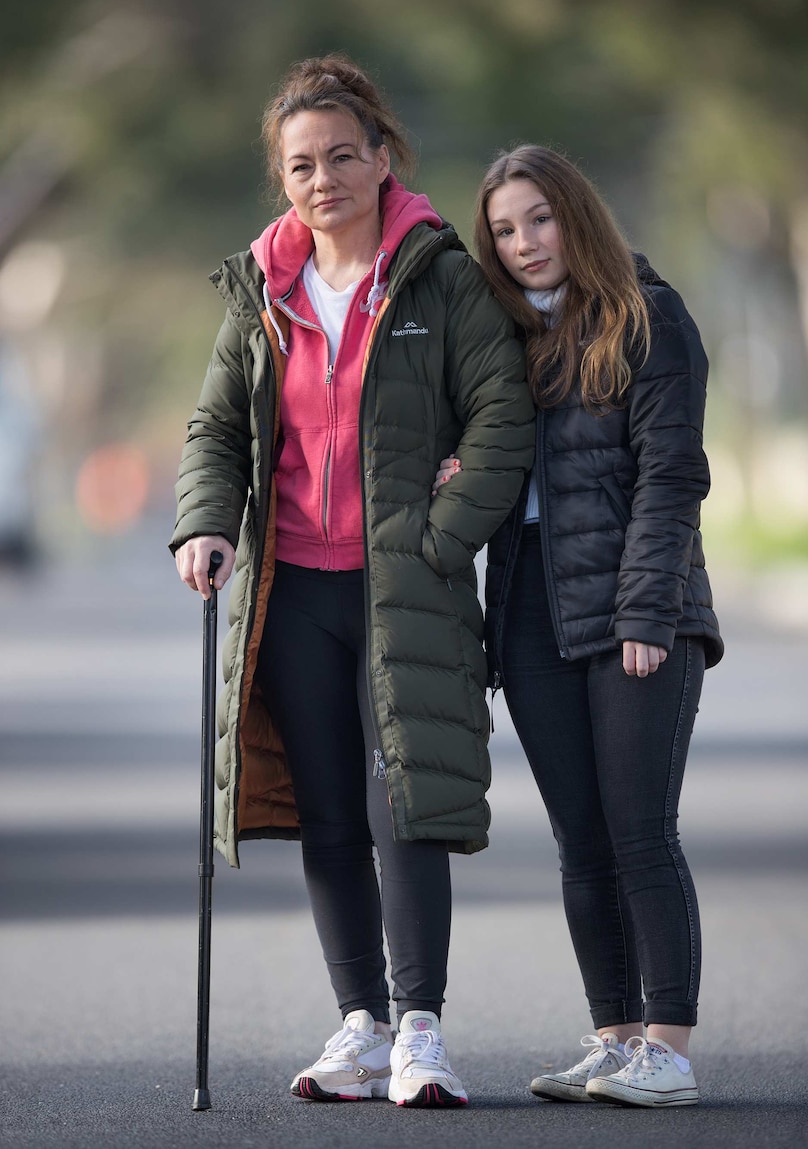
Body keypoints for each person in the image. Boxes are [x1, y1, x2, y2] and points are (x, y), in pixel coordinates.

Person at [170, 56, 534, 1108]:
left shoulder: (442, 280)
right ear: (281, 180)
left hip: (403, 587)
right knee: (330, 810)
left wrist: (437, 538)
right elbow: (213, 428)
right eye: (299, 164)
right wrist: (205, 524)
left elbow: (501, 418)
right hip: (292, 591)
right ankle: (361, 1026)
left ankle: (422, 1031)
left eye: (340, 156)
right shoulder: (263, 290)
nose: (321, 178)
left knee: (403, 805)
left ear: (381, 160)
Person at [435, 145, 723, 1107]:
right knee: (581, 841)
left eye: (539, 219)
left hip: (640, 615)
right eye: (505, 230)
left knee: (641, 830)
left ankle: (669, 1049)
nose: (524, 243)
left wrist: (647, 606)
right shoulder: (504, 342)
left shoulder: (650, 317)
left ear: (578, 217)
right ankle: (614, 1036)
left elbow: (672, 475)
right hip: (531, 622)